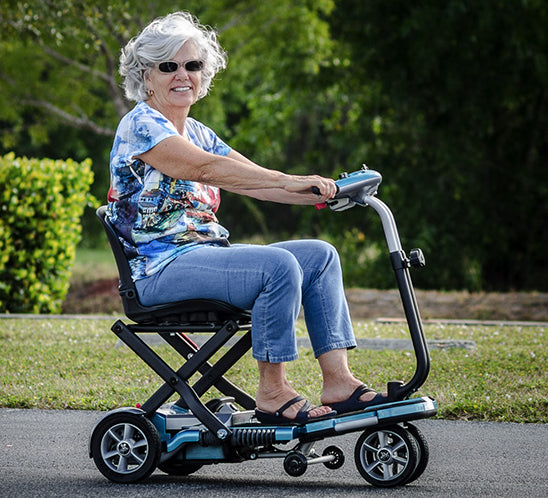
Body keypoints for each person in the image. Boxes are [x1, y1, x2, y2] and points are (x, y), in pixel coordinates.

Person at [107, 11, 385, 424]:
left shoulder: (198, 131)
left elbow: (254, 182)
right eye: (168, 66)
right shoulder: (141, 126)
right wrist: (290, 179)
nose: (182, 74)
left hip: (204, 256)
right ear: (147, 75)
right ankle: (272, 392)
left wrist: (323, 193)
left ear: (204, 73)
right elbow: (204, 170)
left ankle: (339, 381)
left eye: (192, 65)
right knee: (277, 265)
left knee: (320, 255)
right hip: (157, 269)